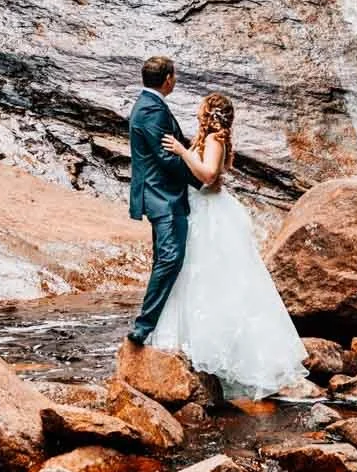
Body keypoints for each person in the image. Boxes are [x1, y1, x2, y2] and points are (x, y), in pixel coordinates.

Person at [146, 92, 307, 399]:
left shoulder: (215, 141)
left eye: (200, 108)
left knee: (206, 278)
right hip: (201, 209)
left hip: (209, 214)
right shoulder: (209, 138)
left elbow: (207, 175)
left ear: (209, 113)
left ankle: (211, 352)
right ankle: (190, 348)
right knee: (193, 277)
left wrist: (181, 150)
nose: (196, 112)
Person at [126, 55, 193, 346]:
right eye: (174, 76)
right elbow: (166, 157)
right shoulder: (152, 109)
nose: (175, 80)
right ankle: (144, 326)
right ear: (168, 79)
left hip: (160, 194)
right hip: (162, 196)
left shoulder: (150, 105)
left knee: (165, 259)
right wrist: (201, 178)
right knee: (170, 258)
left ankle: (160, 324)